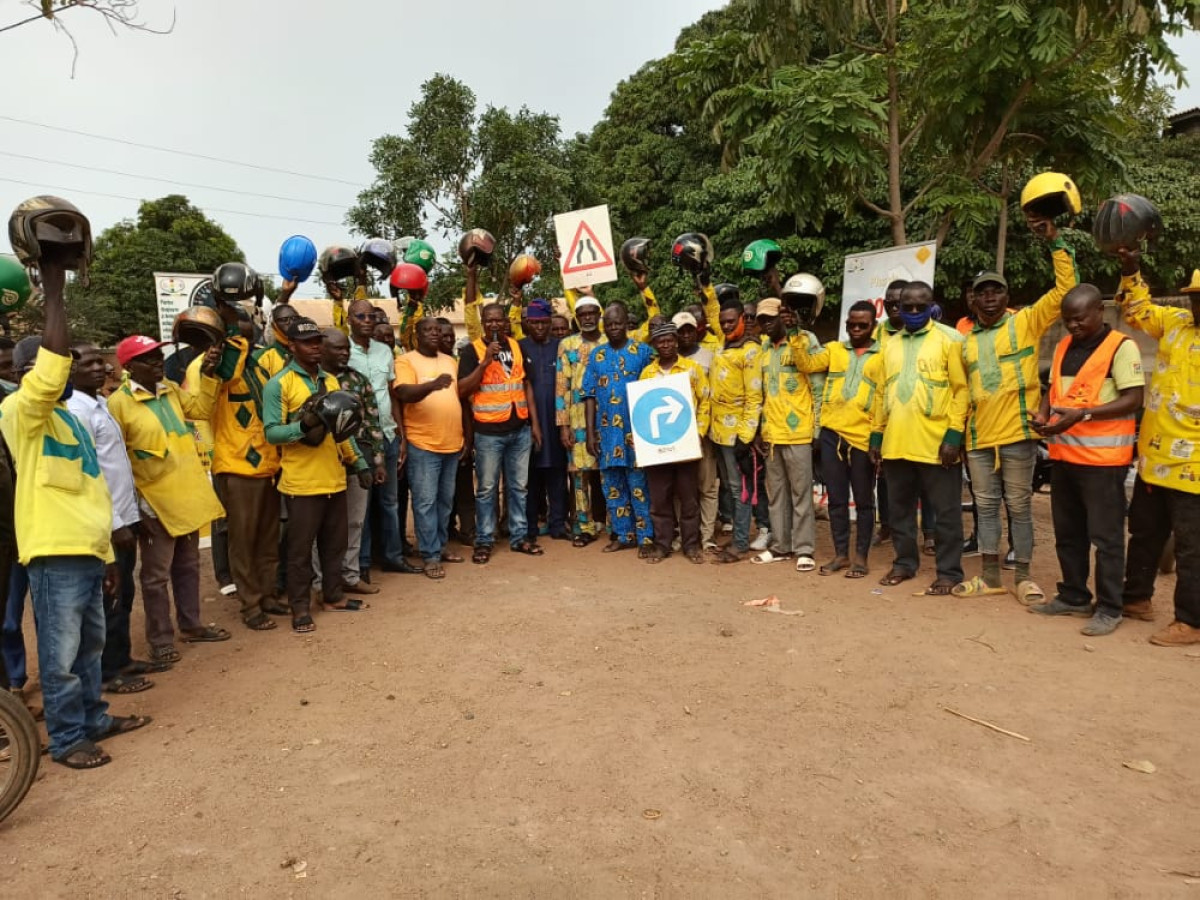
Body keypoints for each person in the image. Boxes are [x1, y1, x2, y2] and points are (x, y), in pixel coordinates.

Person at [0, 255, 149, 770]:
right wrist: (55, 290)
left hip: (88, 550)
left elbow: (93, 493)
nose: (67, 369)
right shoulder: (22, 413)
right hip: (53, 555)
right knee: (61, 659)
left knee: (90, 648)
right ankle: (66, 740)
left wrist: (107, 555)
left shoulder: (73, 420)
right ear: (28, 373)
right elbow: (47, 370)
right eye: (56, 362)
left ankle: (94, 719)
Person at [956, 220, 1077, 601]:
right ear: (973, 300)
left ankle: (1023, 576)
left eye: (997, 290)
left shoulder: (1026, 322)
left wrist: (1055, 241)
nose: (990, 297)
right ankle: (991, 577)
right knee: (986, 508)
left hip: (1018, 436)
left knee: (1020, 507)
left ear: (1006, 295)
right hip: (978, 440)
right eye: (982, 292)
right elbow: (961, 393)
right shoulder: (963, 341)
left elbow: (1065, 291)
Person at [1030, 283, 1144, 635]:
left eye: (1079, 319)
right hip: (1064, 457)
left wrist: (1084, 415)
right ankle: (1074, 595)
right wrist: (1042, 414)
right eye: (1067, 321)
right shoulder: (1064, 345)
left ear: (1100, 312)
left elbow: (1134, 399)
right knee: (1069, 533)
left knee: (1106, 538)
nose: (1073, 326)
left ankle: (1110, 607)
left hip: (1104, 463)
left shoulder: (1122, 348)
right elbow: (1052, 391)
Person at [108, 335, 229, 662]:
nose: (158, 362)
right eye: (148, 359)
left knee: (188, 566)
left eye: (158, 355)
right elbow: (116, 464)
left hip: (187, 496)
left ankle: (191, 626)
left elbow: (202, 407)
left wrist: (207, 374)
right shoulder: (118, 405)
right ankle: (160, 640)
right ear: (129, 367)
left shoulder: (170, 390)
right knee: (155, 576)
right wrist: (134, 510)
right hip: (154, 504)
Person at [186, 304, 290, 632]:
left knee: (268, 538)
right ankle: (251, 604)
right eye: (237, 328)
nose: (245, 331)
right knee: (243, 541)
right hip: (237, 467)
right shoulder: (217, 369)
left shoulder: (258, 369)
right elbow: (226, 370)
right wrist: (230, 337)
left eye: (247, 327)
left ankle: (269, 592)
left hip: (269, 465)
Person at [263, 317, 371, 633]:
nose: (315, 347)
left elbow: (343, 431)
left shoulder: (331, 382)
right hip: (300, 483)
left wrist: (359, 463)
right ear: (291, 346)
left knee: (334, 545)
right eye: (308, 342)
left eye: (317, 341)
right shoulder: (279, 384)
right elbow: (271, 433)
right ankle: (299, 608)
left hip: (334, 478)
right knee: (299, 552)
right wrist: (303, 427)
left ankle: (332, 596)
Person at [68, 343, 163, 693]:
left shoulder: (100, 404)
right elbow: (90, 473)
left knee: (125, 590)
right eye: (89, 363)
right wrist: (114, 522)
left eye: (100, 362)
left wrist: (131, 514)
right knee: (109, 598)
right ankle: (108, 673)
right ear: (69, 370)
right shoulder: (77, 412)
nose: (100, 369)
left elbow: (117, 466)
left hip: (125, 514)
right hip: (107, 523)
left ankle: (122, 659)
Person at [868, 281, 969, 595]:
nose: (912, 312)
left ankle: (949, 572)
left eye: (919, 307)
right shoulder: (890, 344)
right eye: (906, 307)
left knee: (947, 513)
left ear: (931, 306)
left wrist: (954, 435)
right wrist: (876, 436)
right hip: (897, 443)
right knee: (900, 511)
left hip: (937, 445)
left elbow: (960, 391)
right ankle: (904, 564)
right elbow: (882, 391)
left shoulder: (950, 339)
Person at [1119, 259, 1200, 645]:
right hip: (1154, 459)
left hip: (1195, 468)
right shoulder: (1175, 324)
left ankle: (1191, 621)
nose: (1198, 306)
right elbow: (1137, 310)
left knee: (1191, 547)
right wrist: (1130, 267)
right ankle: (1136, 598)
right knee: (1144, 533)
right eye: (1196, 298)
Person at [785, 300, 881, 578]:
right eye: (851, 324)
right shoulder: (834, 350)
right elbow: (806, 363)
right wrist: (795, 333)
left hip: (863, 439)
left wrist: (878, 439)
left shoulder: (883, 355)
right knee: (836, 500)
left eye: (862, 325)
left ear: (873, 326)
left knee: (864, 501)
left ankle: (861, 558)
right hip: (832, 435)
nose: (856, 329)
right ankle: (841, 555)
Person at [458, 301, 543, 563]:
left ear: (506, 322)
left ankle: (519, 537)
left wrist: (535, 425)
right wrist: (484, 363)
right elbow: (462, 390)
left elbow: (525, 385)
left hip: (519, 430)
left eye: (499, 320)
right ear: (483, 323)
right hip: (488, 432)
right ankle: (484, 540)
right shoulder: (472, 351)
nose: (495, 325)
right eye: (489, 321)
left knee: (519, 487)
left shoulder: (517, 346)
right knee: (486, 489)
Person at [347, 299, 418, 575]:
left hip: (387, 435)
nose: (367, 320)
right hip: (358, 439)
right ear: (350, 319)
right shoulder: (343, 351)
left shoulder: (385, 352)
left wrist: (400, 434)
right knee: (360, 508)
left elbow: (392, 393)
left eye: (370, 316)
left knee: (390, 502)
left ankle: (393, 556)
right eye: (361, 316)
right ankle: (361, 564)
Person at [583, 303, 656, 554]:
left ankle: (646, 538)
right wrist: (590, 433)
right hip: (606, 434)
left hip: (636, 433)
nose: (613, 328)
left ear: (626, 324)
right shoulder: (596, 356)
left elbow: (659, 381)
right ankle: (624, 535)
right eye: (609, 324)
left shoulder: (643, 351)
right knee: (612, 487)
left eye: (618, 323)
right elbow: (589, 395)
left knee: (639, 487)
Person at [751, 298, 817, 571]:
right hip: (772, 434)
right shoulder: (764, 349)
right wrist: (758, 430)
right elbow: (761, 392)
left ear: (783, 317)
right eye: (762, 320)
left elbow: (817, 385)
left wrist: (818, 431)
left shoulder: (804, 340)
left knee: (801, 494)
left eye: (770, 318)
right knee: (777, 494)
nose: (766, 324)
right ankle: (780, 546)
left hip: (799, 432)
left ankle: (804, 550)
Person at [396, 318, 465, 579]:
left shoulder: (450, 361)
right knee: (425, 502)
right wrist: (432, 385)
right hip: (423, 443)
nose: (434, 334)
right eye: (428, 330)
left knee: (445, 502)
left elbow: (457, 397)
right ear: (417, 334)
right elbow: (402, 392)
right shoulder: (406, 360)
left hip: (451, 442)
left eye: (437, 330)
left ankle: (440, 546)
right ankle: (430, 555)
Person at [318, 329, 385, 595]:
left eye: (346, 348)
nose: (344, 353)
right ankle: (319, 582)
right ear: (322, 350)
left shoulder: (359, 381)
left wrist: (377, 461)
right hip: (320, 463)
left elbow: (372, 422)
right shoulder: (314, 381)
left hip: (358, 460)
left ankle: (350, 575)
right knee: (319, 527)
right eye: (337, 348)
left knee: (355, 522)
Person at [638, 321, 710, 563]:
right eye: (661, 341)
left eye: (670, 339)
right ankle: (662, 545)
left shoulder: (692, 369)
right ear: (655, 345)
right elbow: (642, 408)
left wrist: (698, 434)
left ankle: (691, 545)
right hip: (656, 446)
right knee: (659, 498)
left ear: (676, 341)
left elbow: (705, 403)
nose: (666, 344)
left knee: (689, 497)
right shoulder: (647, 373)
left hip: (685, 445)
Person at [873, 280, 935, 553]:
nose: (896, 307)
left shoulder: (940, 338)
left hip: (926, 427)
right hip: (892, 425)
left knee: (927, 485)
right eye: (890, 302)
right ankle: (888, 529)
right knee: (888, 484)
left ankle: (930, 533)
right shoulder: (880, 336)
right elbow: (879, 384)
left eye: (900, 302)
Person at [708, 303, 763, 563]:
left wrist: (746, 436)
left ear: (743, 319)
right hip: (717, 431)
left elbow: (754, 397)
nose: (727, 325)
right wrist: (704, 285)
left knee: (739, 488)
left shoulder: (751, 351)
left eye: (732, 321)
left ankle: (740, 543)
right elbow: (711, 309)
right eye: (724, 322)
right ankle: (738, 536)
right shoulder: (723, 343)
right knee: (730, 488)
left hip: (736, 435)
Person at [556, 296, 607, 547]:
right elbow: (561, 387)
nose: (587, 317)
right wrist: (563, 425)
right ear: (577, 318)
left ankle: (617, 525)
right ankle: (585, 527)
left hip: (610, 421)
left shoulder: (612, 340)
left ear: (600, 314)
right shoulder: (567, 344)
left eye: (592, 313)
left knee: (611, 474)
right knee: (580, 478)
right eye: (582, 314)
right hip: (576, 421)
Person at [520, 299, 568, 542]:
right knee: (530, 477)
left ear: (550, 323)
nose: (539, 327)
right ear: (527, 323)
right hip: (527, 423)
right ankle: (529, 527)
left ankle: (558, 524)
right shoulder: (518, 347)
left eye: (544, 322)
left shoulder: (562, 347)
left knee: (557, 475)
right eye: (534, 323)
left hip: (557, 422)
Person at [673, 311, 719, 550]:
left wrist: (700, 432)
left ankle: (707, 536)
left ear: (697, 329)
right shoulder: (667, 360)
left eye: (689, 329)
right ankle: (684, 535)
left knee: (707, 486)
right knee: (681, 489)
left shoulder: (710, 357)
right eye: (680, 331)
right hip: (676, 436)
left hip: (702, 434)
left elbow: (709, 399)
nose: (686, 335)